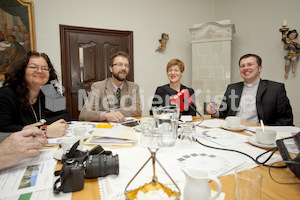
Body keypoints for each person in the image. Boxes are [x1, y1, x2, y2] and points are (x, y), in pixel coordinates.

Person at [206, 54, 293, 126]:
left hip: (258, 133)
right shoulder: (232, 88)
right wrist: (214, 112)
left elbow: (285, 121)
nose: (246, 68)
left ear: (260, 68)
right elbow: (223, 114)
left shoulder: (275, 89)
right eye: (242, 66)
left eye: (250, 64)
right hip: (232, 131)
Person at [0, 51, 72, 137]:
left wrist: (42, 123)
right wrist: (44, 130)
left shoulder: (49, 92)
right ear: (22, 70)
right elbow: (4, 130)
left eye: (45, 68)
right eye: (33, 67)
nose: (39, 71)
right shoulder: (5, 94)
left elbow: (66, 115)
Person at [79, 51, 142, 123]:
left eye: (126, 65)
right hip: (105, 129)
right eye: (119, 64)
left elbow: (137, 110)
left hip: (126, 127)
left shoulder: (133, 87)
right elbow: (84, 114)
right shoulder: (98, 87)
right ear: (111, 68)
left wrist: (111, 112)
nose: (124, 68)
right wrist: (106, 115)